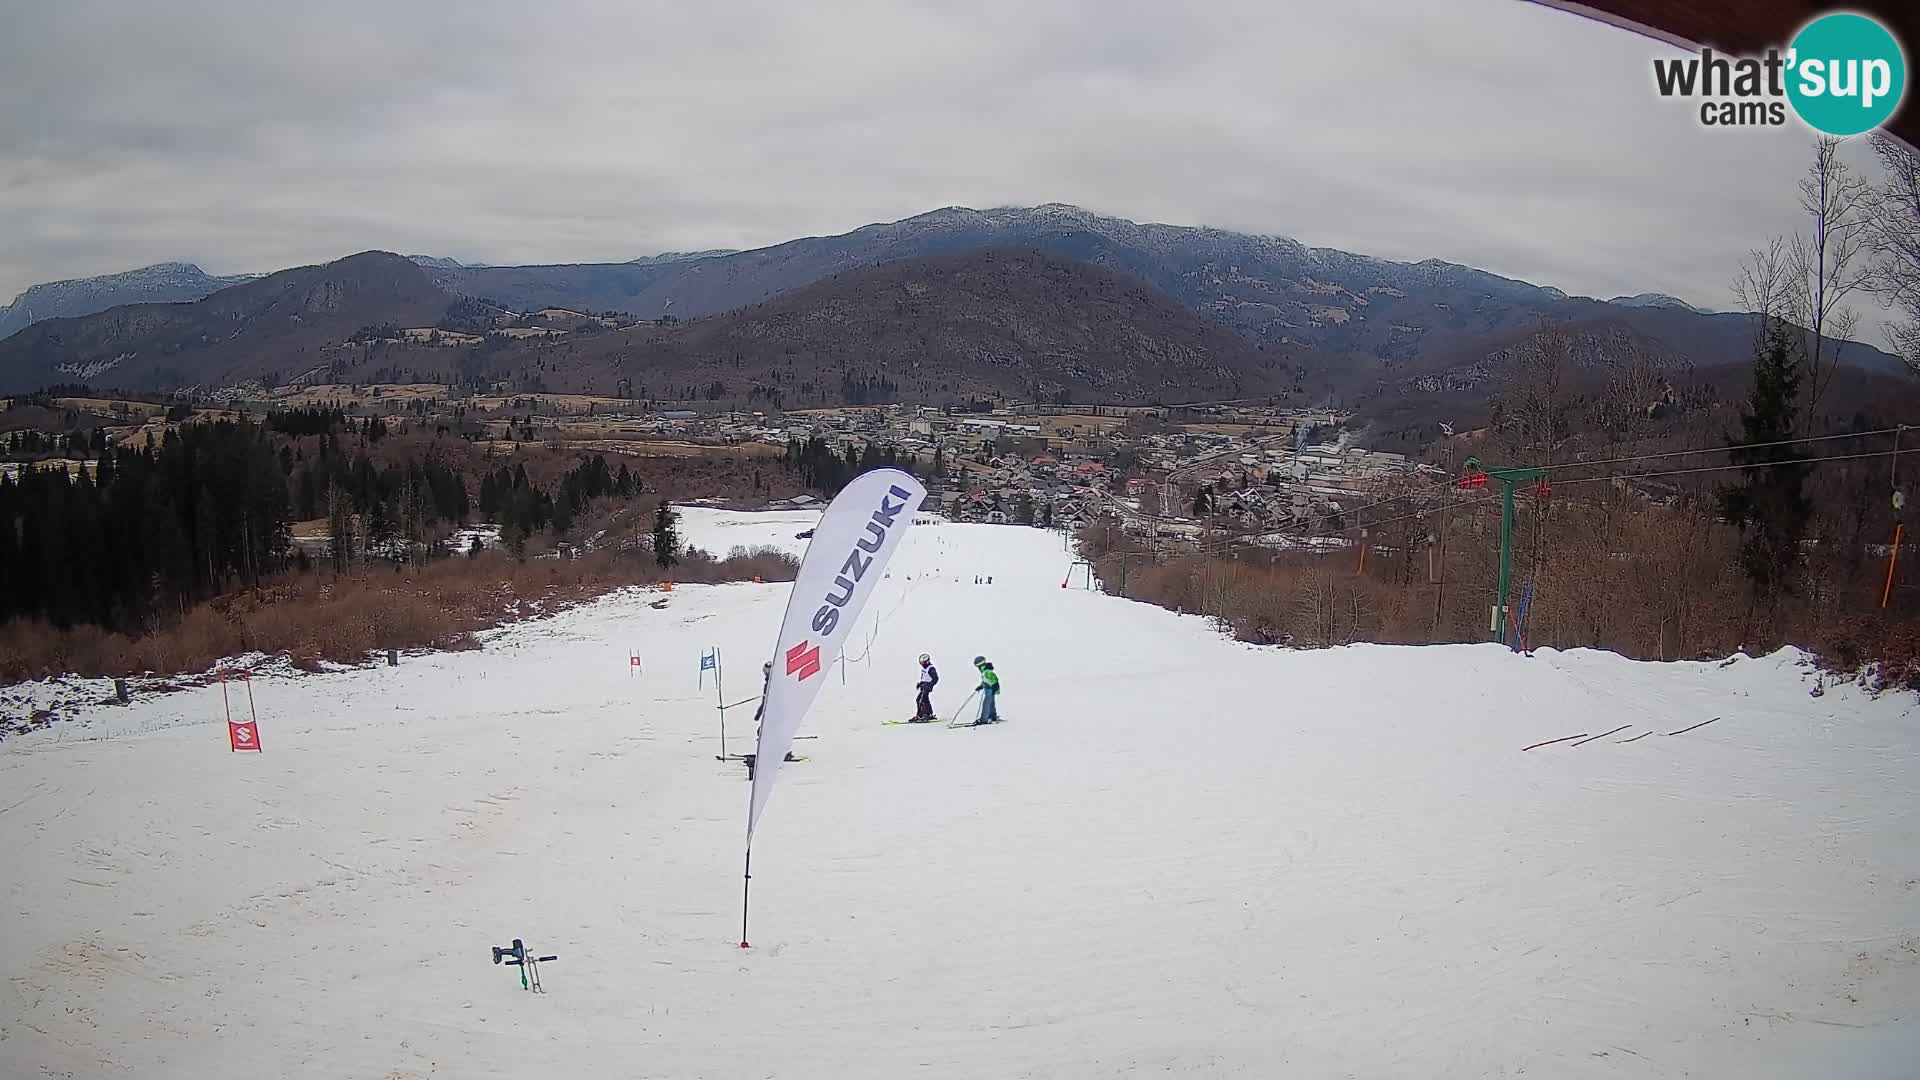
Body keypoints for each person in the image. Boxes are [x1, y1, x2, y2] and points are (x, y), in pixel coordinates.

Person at [972, 655, 1000, 725]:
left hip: (990, 689)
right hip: (990, 688)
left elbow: (992, 680)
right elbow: (986, 680)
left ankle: (984, 719)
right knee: (991, 702)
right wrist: (981, 686)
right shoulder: (985, 670)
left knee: (987, 703)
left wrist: (993, 686)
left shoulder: (986, 671)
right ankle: (993, 716)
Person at [913, 653, 939, 722]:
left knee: (922, 700)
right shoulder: (924, 668)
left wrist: (929, 685)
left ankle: (926, 714)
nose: (921, 664)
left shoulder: (931, 669)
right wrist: (920, 683)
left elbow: (935, 678)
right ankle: (923, 714)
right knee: (920, 700)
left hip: (927, 687)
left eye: (922, 663)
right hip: (923, 686)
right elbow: (924, 677)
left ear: (926, 662)